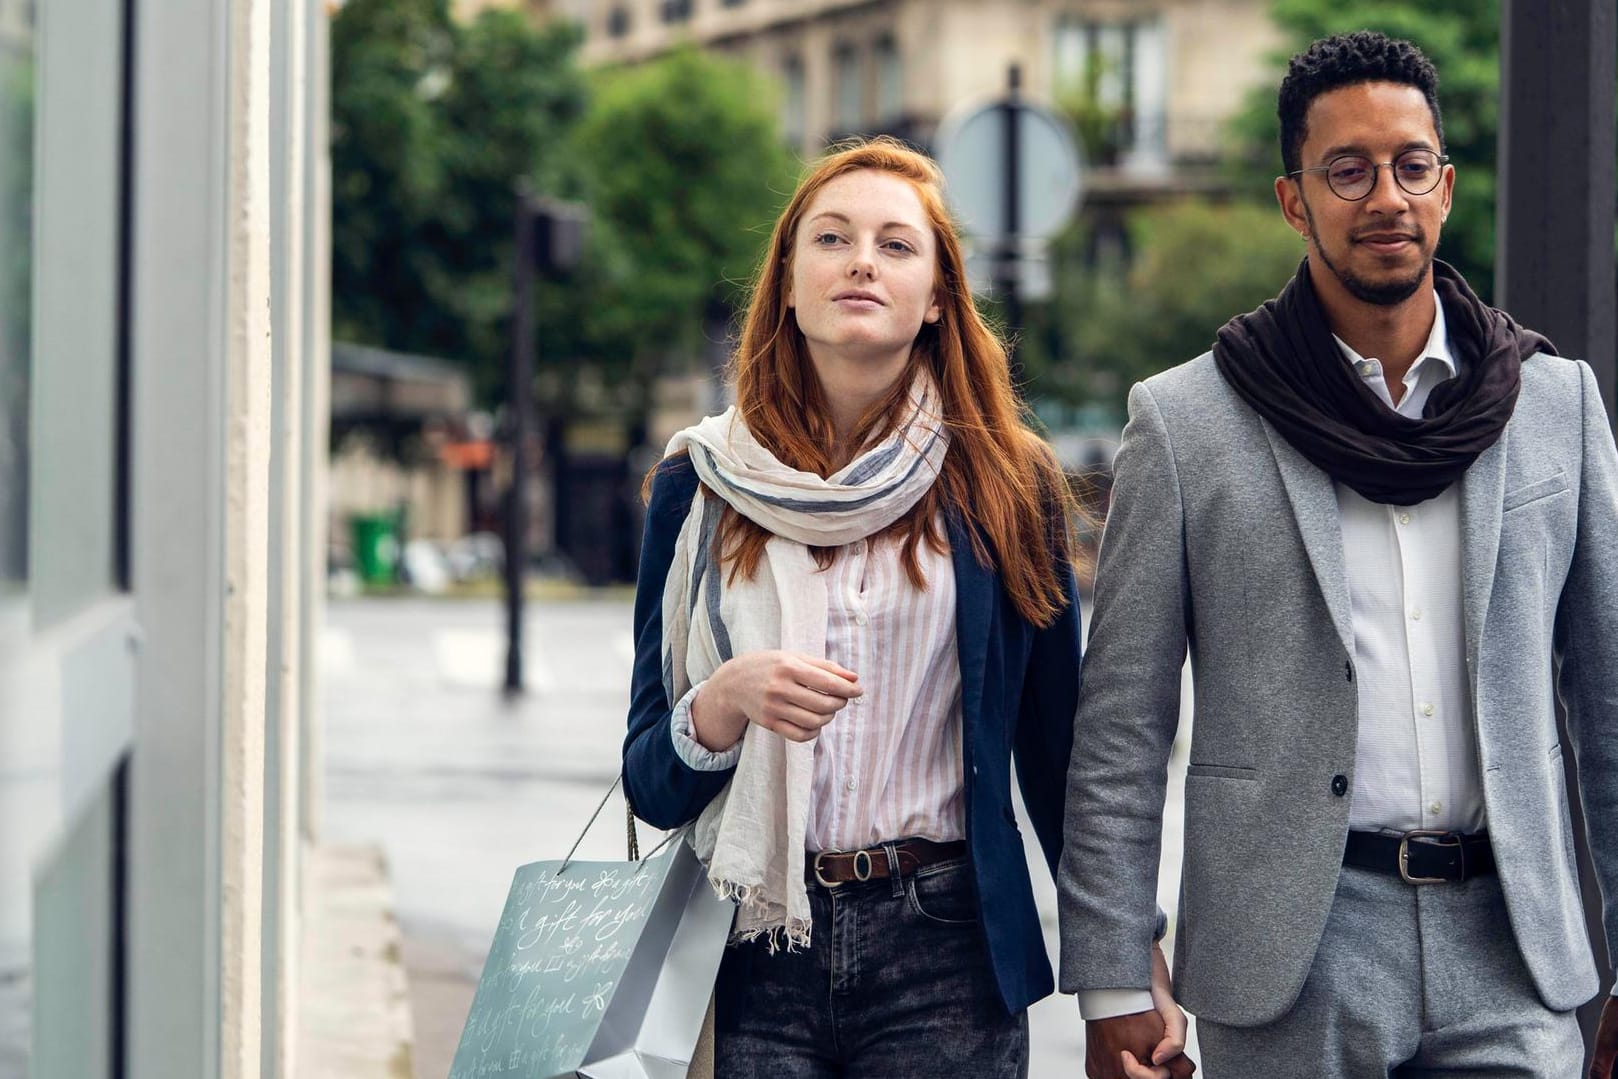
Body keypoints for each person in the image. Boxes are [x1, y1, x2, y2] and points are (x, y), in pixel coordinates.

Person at [1057, 29, 1618, 1079]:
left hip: (1511, 942)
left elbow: (1612, 700)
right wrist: (1115, 978)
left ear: (1444, 187)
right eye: (1346, 171)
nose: (1385, 197)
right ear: (1293, 199)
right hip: (1291, 948)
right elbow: (1122, 724)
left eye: (1410, 166)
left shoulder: (1553, 407)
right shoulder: (1187, 422)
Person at [621, 138, 1187, 1078]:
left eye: (895, 244)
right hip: (748, 948)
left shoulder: (1007, 487)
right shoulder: (699, 486)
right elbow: (648, 780)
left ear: (934, 298)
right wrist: (722, 702)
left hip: (946, 948)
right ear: (789, 286)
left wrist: (1127, 972)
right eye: (831, 238)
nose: (860, 261)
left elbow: (1060, 761)